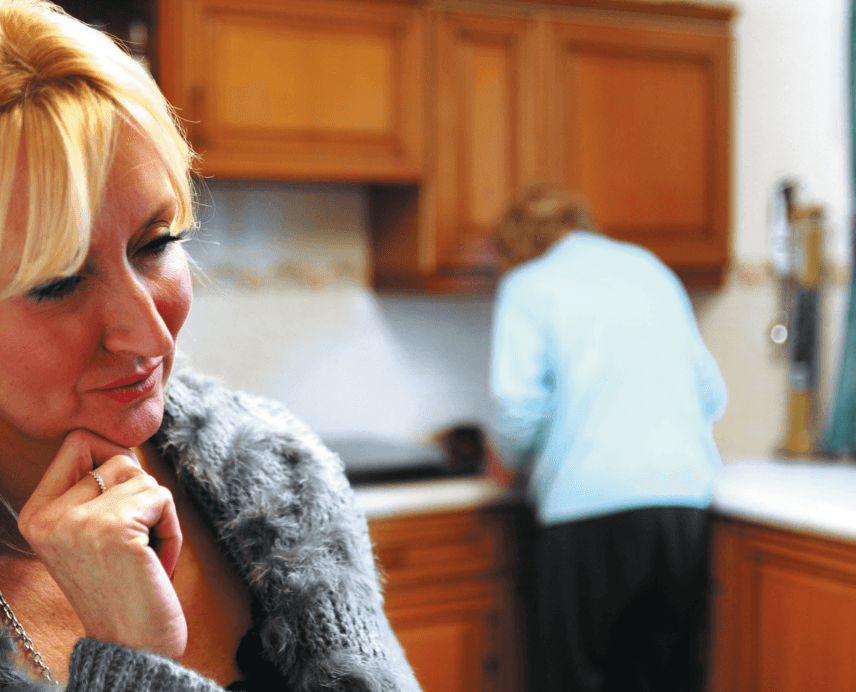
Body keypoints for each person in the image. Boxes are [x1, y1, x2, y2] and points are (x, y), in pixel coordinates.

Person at [0, 1, 420, 690]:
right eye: (58, 283)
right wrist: (136, 660)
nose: (150, 332)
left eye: (156, 243)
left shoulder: (281, 477)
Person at [488, 183, 727, 692]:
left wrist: (506, 459)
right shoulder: (650, 269)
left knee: (576, 680)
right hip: (680, 507)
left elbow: (517, 408)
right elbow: (711, 392)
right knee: (665, 679)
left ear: (518, 245)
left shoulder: (529, 284)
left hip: (587, 512)